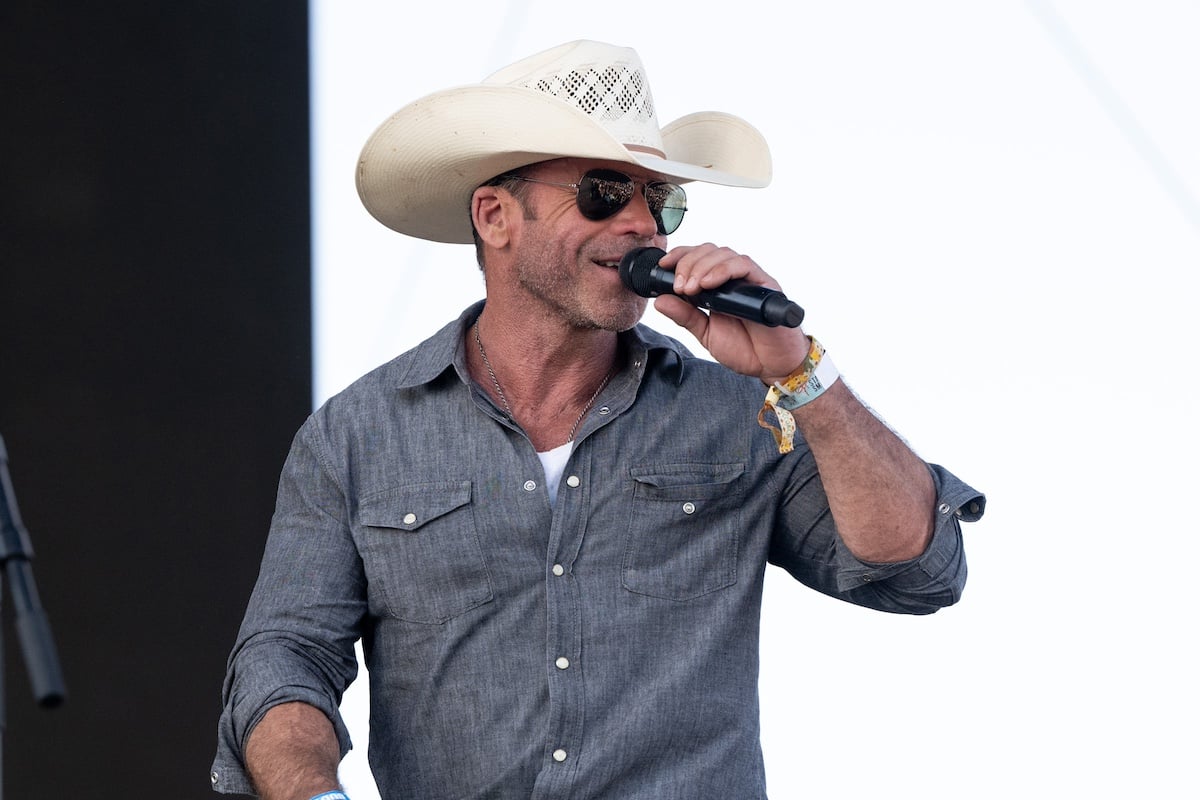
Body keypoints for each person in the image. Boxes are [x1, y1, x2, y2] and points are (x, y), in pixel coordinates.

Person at [211, 39, 985, 800]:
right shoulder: (355, 437)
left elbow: (917, 570)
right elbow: (286, 657)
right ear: (495, 216)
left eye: (662, 200)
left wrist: (803, 374)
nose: (644, 225)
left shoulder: (742, 413)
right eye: (605, 193)